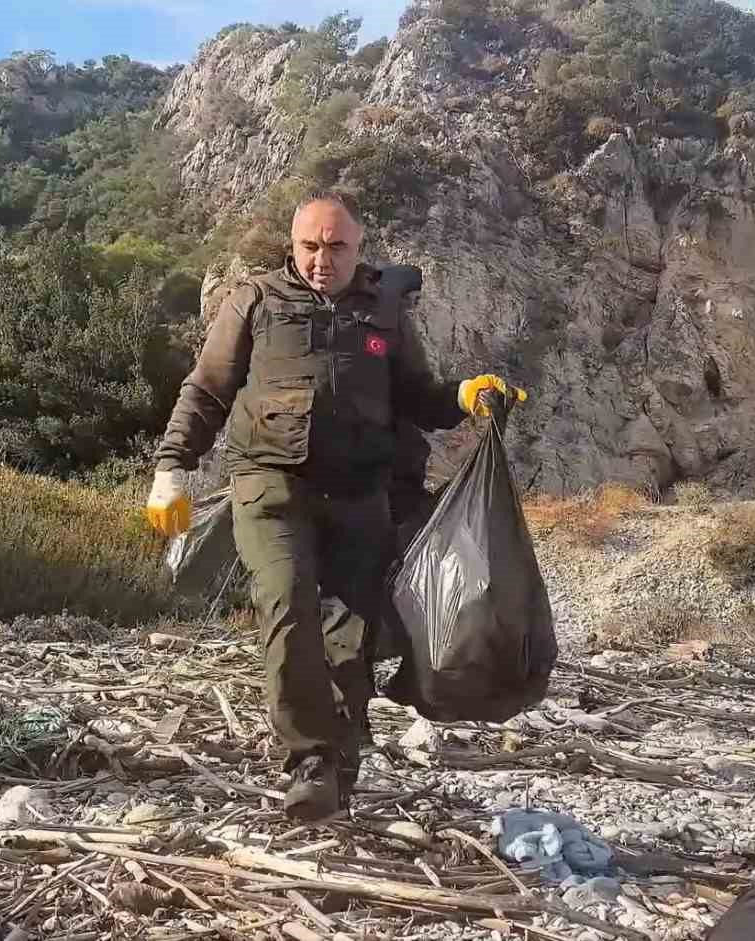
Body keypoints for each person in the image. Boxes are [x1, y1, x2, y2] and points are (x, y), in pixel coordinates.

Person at [144, 190, 526, 821]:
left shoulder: (385, 311)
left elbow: (415, 396)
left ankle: (341, 759)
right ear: (293, 246)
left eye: (336, 246)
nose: (322, 259)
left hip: (359, 493)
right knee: (287, 606)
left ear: (359, 247)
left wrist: (464, 394)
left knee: (351, 633)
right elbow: (208, 389)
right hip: (271, 484)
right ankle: (309, 758)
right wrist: (171, 468)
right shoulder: (257, 301)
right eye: (309, 246)